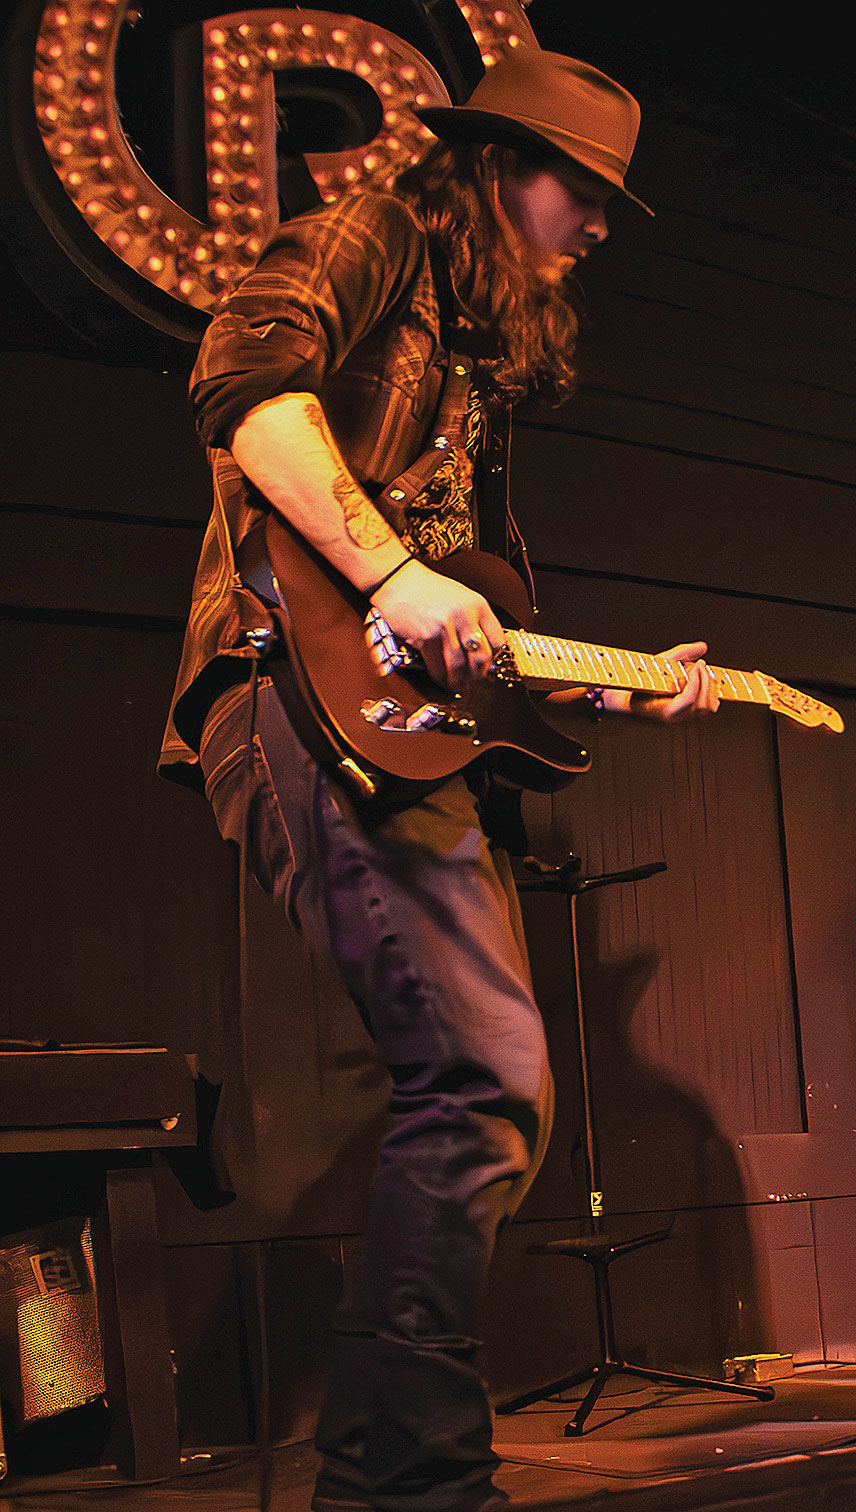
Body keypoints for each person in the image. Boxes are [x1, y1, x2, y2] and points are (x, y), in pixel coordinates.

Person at [158, 51, 718, 1512]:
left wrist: (604, 680)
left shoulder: (474, 374)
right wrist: (389, 571)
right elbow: (245, 389)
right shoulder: (374, 234)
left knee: (489, 1088)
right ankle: (411, 1481)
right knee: (482, 1077)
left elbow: (473, 629)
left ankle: (392, 1476)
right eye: (581, 189)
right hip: (292, 691)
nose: (597, 225)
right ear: (495, 168)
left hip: (395, 727)